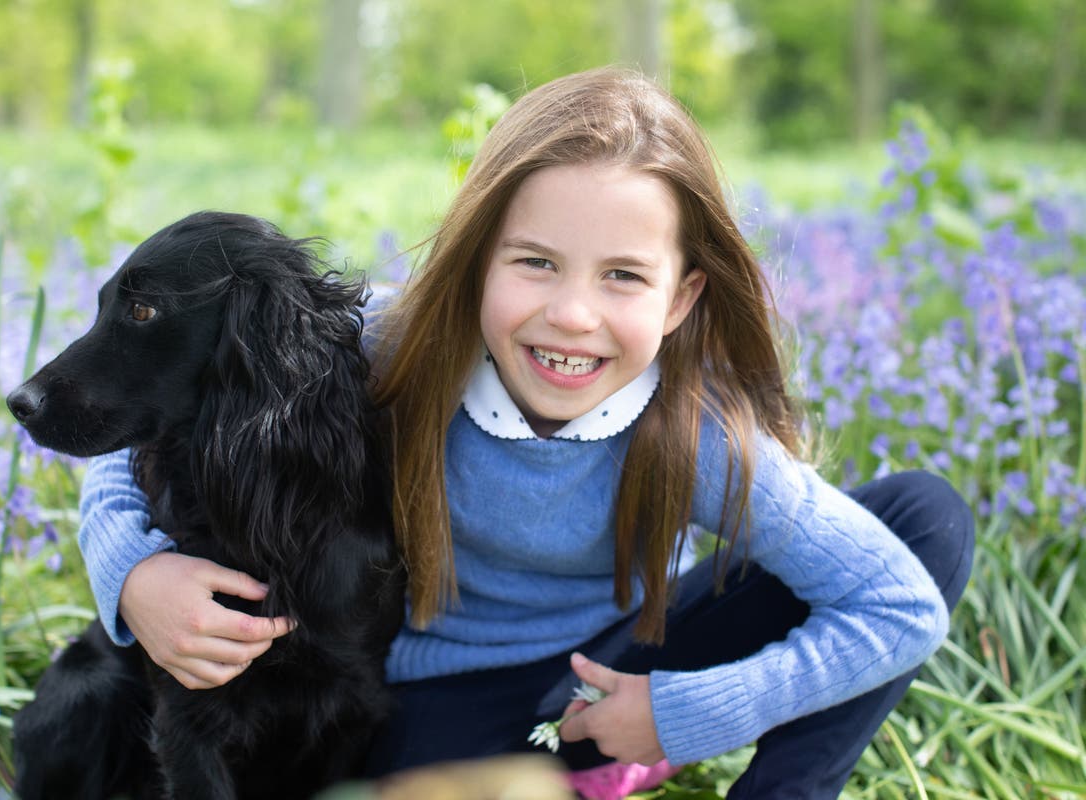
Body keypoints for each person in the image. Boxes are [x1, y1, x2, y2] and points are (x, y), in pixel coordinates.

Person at [77, 67, 974, 799]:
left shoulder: (693, 430)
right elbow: (145, 418)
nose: (572, 314)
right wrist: (135, 574)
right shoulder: (396, 348)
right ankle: (576, 773)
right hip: (431, 705)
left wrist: (690, 709)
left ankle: (699, 772)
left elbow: (900, 607)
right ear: (477, 261)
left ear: (682, 298)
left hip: (617, 669)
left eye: (624, 276)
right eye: (536, 263)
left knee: (925, 518)